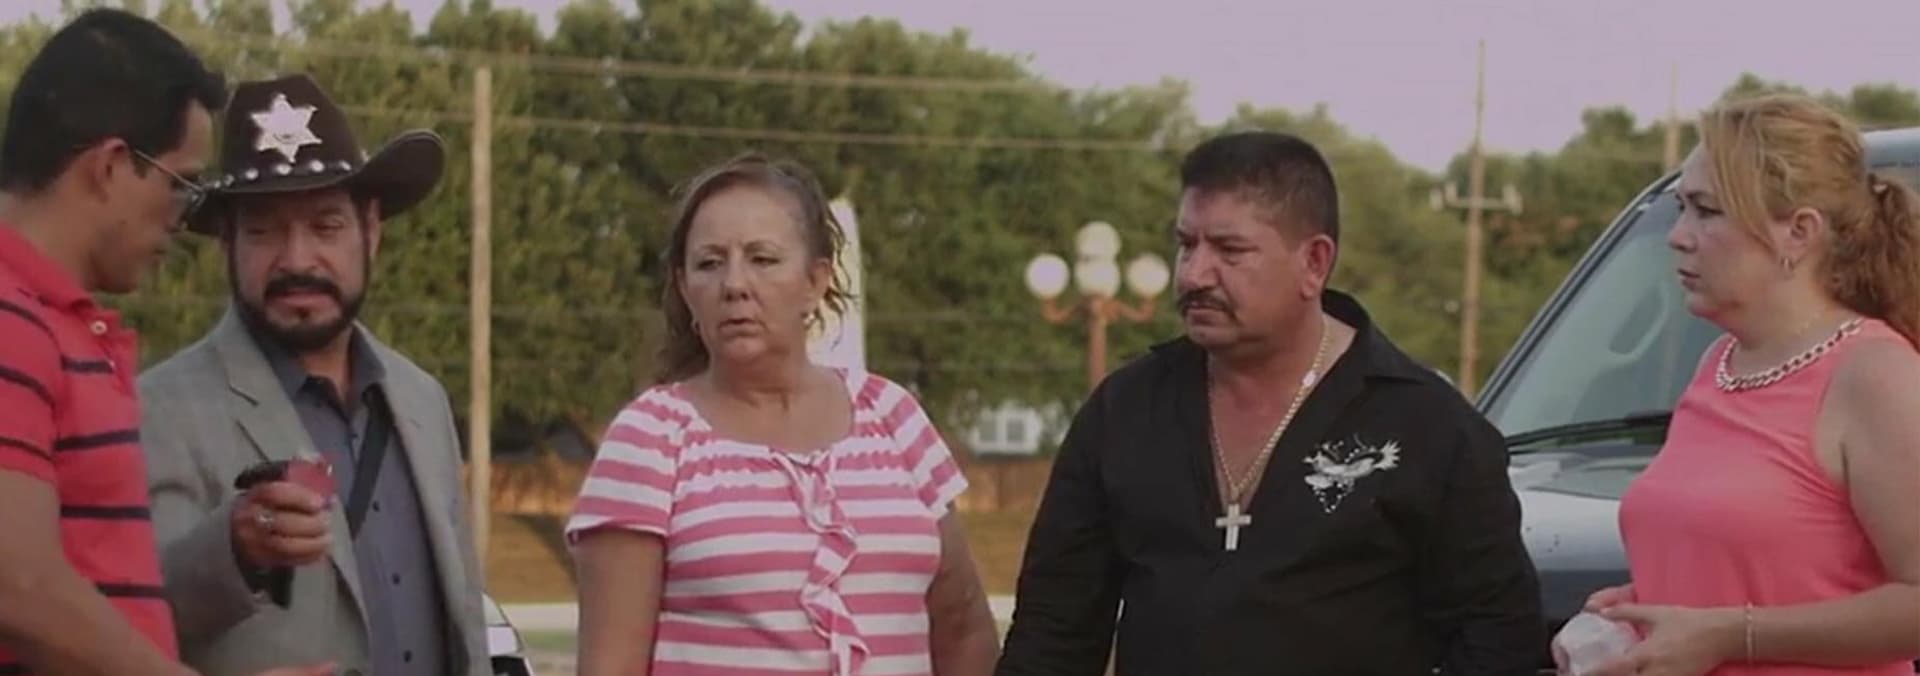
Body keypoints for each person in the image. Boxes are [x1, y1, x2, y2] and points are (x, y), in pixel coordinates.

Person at [995, 131, 1544, 675]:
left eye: (1229, 250)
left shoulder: (1425, 425)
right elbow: (1053, 633)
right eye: (1186, 244)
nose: (1194, 274)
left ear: (1314, 263)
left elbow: (1499, 636)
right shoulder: (1125, 411)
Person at [566, 153, 1001, 676]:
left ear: (816, 281)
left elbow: (963, 627)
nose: (735, 284)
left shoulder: (892, 414)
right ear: (684, 289)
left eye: (763, 258)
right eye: (709, 263)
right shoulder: (651, 438)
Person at [0, 9, 329, 676]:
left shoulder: (52, 323)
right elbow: (19, 586)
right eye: (182, 184)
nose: (183, 219)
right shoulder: (10, 321)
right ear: (111, 165)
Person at [138, 73, 490, 676]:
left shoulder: (422, 400)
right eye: (264, 230)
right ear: (227, 245)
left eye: (326, 226)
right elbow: (127, 618)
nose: (298, 259)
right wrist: (233, 549)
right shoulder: (158, 410)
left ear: (371, 232)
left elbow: (464, 621)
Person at [1575, 94, 1920, 676]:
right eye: (1681, 208)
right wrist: (1642, 610)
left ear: (1799, 232)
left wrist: (1729, 635)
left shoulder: (1876, 375)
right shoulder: (1719, 363)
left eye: (1706, 211)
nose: (1677, 236)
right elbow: (1766, 567)